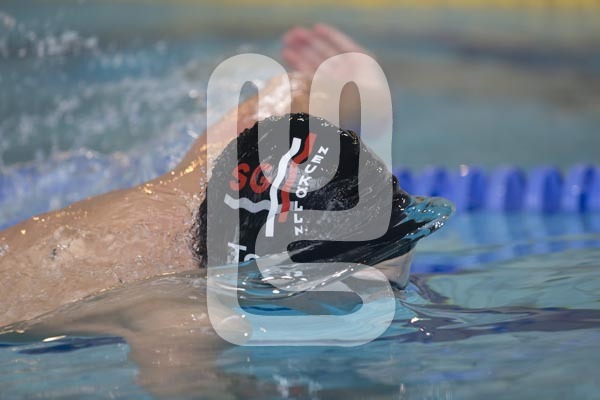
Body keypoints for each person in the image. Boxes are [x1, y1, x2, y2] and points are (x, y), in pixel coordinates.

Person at [0, 24, 443, 329]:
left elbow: (297, 90)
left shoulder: (233, 160)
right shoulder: (178, 312)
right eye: (377, 285)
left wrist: (360, 92)